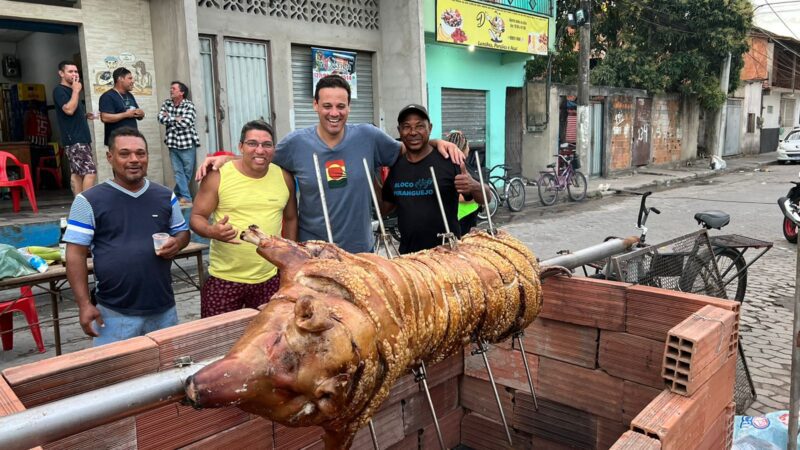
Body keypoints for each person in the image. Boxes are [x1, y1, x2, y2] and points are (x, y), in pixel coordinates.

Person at [196, 74, 463, 253]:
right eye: (327, 106)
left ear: (348, 106)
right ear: (315, 105)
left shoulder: (369, 137)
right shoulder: (296, 144)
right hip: (314, 250)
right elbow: (260, 157)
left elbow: (410, 145)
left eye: (340, 106)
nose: (334, 113)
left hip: (361, 250)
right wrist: (226, 158)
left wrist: (439, 142)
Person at [64, 127, 190, 346]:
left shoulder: (164, 195)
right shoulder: (88, 201)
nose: (134, 159)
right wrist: (84, 304)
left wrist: (177, 242)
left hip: (164, 310)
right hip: (114, 313)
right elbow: (74, 254)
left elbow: (182, 232)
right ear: (110, 157)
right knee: (118, 376)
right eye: (125, 154)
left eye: (141, 153)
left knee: (167, 375)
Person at [190, 120, 298, 317]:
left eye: (267, 145)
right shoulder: (218, 176)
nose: (260, 150)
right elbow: (197, 217)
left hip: (270, 278)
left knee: (267, 341)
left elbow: (290, 219)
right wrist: (211, 231)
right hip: (224, 279)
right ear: (240, 147)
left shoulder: (283, 177)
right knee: (218, 340)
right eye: (252, 143)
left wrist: (286, 259)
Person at [380, 105, 485, 254]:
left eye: (420, 126)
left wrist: (473, 185)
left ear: (430, 128)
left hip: (447, 254)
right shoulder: (396, 166)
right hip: (410, 257)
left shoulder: (449, 159)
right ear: (399, 131)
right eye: (406, 127)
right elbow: (384, 209)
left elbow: (485, 198)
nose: (413, 132)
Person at [53, 61, 97, 195]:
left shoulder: (71, 91)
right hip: (75, 139)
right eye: (70, 71)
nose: (74, 74)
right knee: (90, 171)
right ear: (61, 73)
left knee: (77, 174)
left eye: (76, 72)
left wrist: (84, 115)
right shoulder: (60, 90)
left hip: (80, 138)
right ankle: (86, 205)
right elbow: (69, 110)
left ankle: (78, 208)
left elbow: (71, 112)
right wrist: (76, 90)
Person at [158, 81, 201, 206]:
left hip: (187, 143)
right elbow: (160, 118)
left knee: (187, 173)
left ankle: (175, 194)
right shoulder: (166, 103)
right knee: (178, 172)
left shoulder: (189, 105)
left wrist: (169, 117)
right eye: (171, 88)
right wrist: (176, 118)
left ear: (181, 92)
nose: (171, 90)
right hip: (172, 143)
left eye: (174, 88)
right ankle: (186, 198)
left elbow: (186, 122)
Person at [99, 67, 144, 147]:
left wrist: (141, 114)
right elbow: (105, 118)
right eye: (129, 78)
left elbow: (137, 113)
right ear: (120, 79)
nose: (133, 81)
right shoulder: (108, 96)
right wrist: (126, 114)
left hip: (132, 139)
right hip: (117, 142)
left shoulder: (130, 95)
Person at [446, 130, 480, 233]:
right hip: (461, 216)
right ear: (463, 148)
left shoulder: (460, 164)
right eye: (468, 146)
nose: (469, 149)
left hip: (468, 214)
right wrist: (477, 196)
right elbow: (458, 196)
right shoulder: (457, 167)